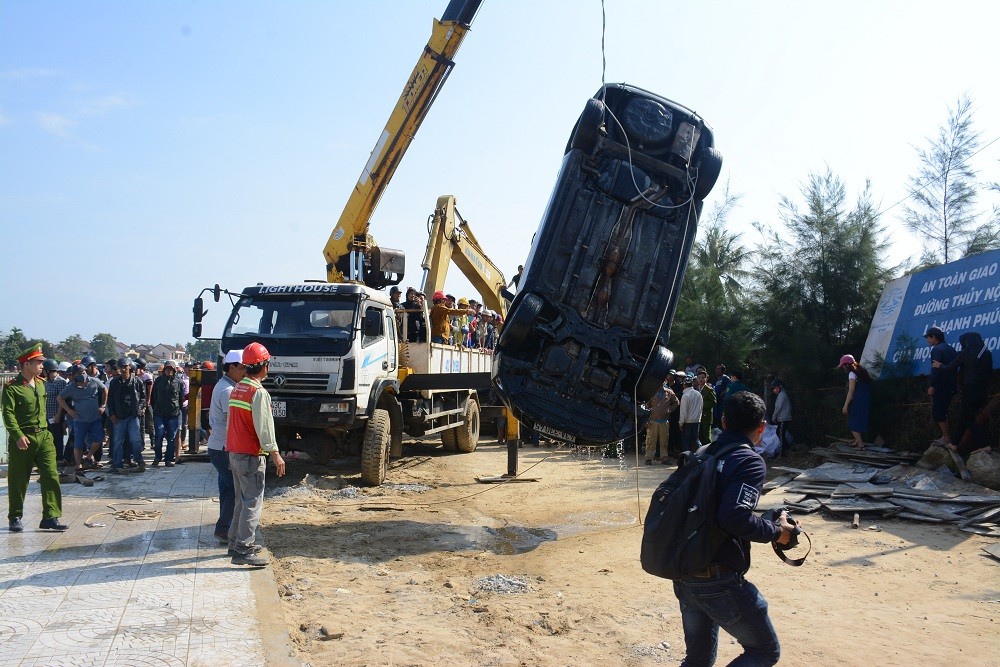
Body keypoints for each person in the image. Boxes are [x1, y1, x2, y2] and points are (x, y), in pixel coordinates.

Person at [672, 391, 796, 666]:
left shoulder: (701, 454)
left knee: (698, 659)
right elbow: (733, 518)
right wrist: (778, 532)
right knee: (764, 651)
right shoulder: (749, 461)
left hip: (684, 573)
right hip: (718, 580)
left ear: (724, 421)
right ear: (762, 427)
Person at [226, 342, 285, 566]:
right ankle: (243, 549)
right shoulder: (258, 393)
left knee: (241, 501)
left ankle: (234, 542)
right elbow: (265, 427)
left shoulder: (238, 388)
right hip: (250, 455)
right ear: (263, 366)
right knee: (252, 502)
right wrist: (275, 454)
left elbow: (232, 423)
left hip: (235, 452)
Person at [3, 344, 67, 532]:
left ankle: (50, 516)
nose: (42, 364)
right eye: (38, 362)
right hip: (23, 438)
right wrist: (17, 435)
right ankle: (15, 516)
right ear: (27, 364)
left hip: (44, 436)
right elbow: (8, 414)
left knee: (51, 475)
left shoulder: (40, 383)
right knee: (18, 478)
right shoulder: (12, 388)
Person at [207, 350, 246, 543]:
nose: (245, 371)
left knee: (227, 488)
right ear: (231, 367)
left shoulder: (224, 385)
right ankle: (224, 528)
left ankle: (226, 527)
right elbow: (234, 422)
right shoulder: (228, 391)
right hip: (223, 447)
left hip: (219, 446)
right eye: (242, 367)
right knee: (235, 488)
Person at [934, 331, 993, 457]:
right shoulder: (987, 354)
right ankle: (954, 444)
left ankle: (984, 445)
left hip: (970, 390)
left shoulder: (965, 353)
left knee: (967, 418)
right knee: (964, 415)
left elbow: (950, 367)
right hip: (983, 391)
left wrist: (939, 366)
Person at [58, 363, 107, 472]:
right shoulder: (71, 387)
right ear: (74, 375)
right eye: (80, 373)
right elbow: (60, 398)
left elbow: (104, 390)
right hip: (80, 420)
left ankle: (88, 457)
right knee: (78, 444)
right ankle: (78, 465)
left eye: (84, 372)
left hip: (95, 418)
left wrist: (103, 405)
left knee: (98, 440)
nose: (83, 374)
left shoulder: (94, 381)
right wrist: (69, 410)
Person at [107, 358, 146, 473]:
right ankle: (117, 464)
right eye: (121, 367)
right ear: (118, 368)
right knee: (118, 441)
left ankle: (139, 461)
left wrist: (139, 410)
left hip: (133, 416)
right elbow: (110, 400)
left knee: (135, 440)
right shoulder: (114, 382)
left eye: (125, 366)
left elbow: (143, 397)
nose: (123, 369)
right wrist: (112, 414)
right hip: (119, 416)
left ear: (130, 367)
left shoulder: (137, 381)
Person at [151, 359, 186, 466]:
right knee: (159, 435)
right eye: (167, 369)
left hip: (173, 414)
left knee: (171, 437)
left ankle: (168, 459)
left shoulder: (179, 382)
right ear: (164, 369)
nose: (169, 371)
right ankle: (157, 457)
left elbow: (181, 398)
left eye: (171, 369)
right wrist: (155, 408)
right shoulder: (158, 381)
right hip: (159, 414)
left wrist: (177, 409)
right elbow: (153, 397)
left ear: (175, 370)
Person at [838, 354, 872, 449]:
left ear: (847, 365)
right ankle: (857, 441)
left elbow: (851, 390)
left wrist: (845, 405)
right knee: (860, 418)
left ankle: (861, 445)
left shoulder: (852, 374)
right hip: (866, 398)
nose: (843, 368)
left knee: (853, 422)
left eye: (843, 366)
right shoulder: (862, 371)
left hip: (858, 398)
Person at [645, 375, 679, 465]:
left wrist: (670, 409)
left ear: (665, 382)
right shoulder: (651, 392)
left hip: (664, 420)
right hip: (653, 420)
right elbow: (645, 406)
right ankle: (648, 458)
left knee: (664, 440)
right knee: (651, 440)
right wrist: (646, 420)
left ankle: (664, 458)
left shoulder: (669, 392)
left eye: (662, 381)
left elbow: (676, 402)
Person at [42, 358, 68, 465]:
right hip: (46, 415)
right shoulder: (46, 382)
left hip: (56, 414)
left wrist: (58, 415)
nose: (42, 372)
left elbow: (61, 399)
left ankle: (59, 458)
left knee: (57, 438)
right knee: (48, 438)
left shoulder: (60, 382)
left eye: (44, 370)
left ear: (48, 371)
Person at [679, 373, 704, 452]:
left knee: (686, 442)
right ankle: (701, 454)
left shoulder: (685, 395)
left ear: (684, 385)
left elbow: (683, 411)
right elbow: (701, 408)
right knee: (696, 439)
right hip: (697, 421)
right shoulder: (698, 394)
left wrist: (681, 423)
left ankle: (687, 459)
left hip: (687, 422)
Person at [770, 379, 792, 457]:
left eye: (776, 388)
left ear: (781, 387)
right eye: (774, 388)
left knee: (780, 434)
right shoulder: (781, 395)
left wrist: (774, 416)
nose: (775, 390)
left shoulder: (782, 395)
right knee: (779, 432)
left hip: (784, 418)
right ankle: (788, 448)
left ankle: (783, 452)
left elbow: (778, 407)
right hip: (782, 418)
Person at [697, 367, 716, 447]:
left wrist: (702, 404)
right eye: (699, 378)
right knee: (700, 435)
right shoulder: (697, 389)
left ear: (706, 378)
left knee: (706, 436)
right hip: (698, 416)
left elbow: (714, 402)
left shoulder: (709, 390)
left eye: (703, 378)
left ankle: (709, 451)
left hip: (706, 416)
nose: (701, 380)